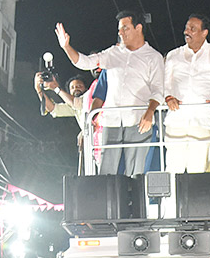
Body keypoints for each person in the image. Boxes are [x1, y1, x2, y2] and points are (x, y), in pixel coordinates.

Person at [56, 12, 165, 176]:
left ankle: (135, 201)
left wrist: (150, 112)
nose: (121, 32)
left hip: (138, 121)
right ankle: (108, 202)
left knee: (136, 173)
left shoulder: (153, 57)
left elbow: (158, 90)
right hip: (111, 122)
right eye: (119, 29)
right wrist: (66, 47)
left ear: (138, 28)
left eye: (125, 28)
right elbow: (85, 62)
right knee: (106, 172)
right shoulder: (113, 53)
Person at [163, 13, 210, 174]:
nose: (187, 32)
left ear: (204, 33)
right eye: (186, 28)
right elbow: (164, 85)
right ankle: (169, 200)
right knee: (172, 168)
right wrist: (168, 97)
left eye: (193, 28)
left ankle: (193, 200)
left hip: (204, 120)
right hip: (177, 119)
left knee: (196, 169)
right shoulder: (173, 55)